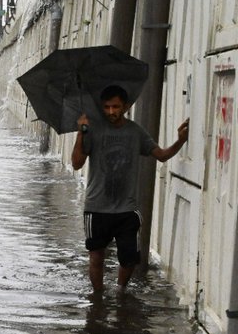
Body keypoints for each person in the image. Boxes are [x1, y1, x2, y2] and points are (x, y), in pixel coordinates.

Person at [71, 84, 190, 294]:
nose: (111, 112)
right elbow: (77, 163)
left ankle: (119, 291)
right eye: (106, 107)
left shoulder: (135, 132)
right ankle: (97, 298)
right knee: (96, 256)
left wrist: (180, 141)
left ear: (125, 106)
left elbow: (161, 155)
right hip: (97, 207)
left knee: (129, 259)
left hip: (127, 208)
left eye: (115, 107)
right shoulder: (93, 129)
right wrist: (81, 133)